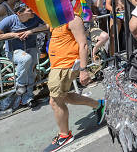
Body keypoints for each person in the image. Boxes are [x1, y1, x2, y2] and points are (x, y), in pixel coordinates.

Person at [43, 14, 105, 152]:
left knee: (55, 101)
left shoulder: (73, 19)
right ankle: (98, 105)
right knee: (63, 96)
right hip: (58, 65)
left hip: (65, 66)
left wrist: (83, 70)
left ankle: (64, 135)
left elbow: (83, 44)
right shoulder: (55, 19)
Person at [0, 3, 48, 111]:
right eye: (29, 10)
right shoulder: (10, 20)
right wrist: (12, 35)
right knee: (26, 59)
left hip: (32, 47)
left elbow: (49, 25)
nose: (32, 11)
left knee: (31, 74)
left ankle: (27, 98)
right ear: (19, 13)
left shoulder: (35, 16)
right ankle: (20, 85)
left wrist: (31, 31)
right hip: (14, 51)